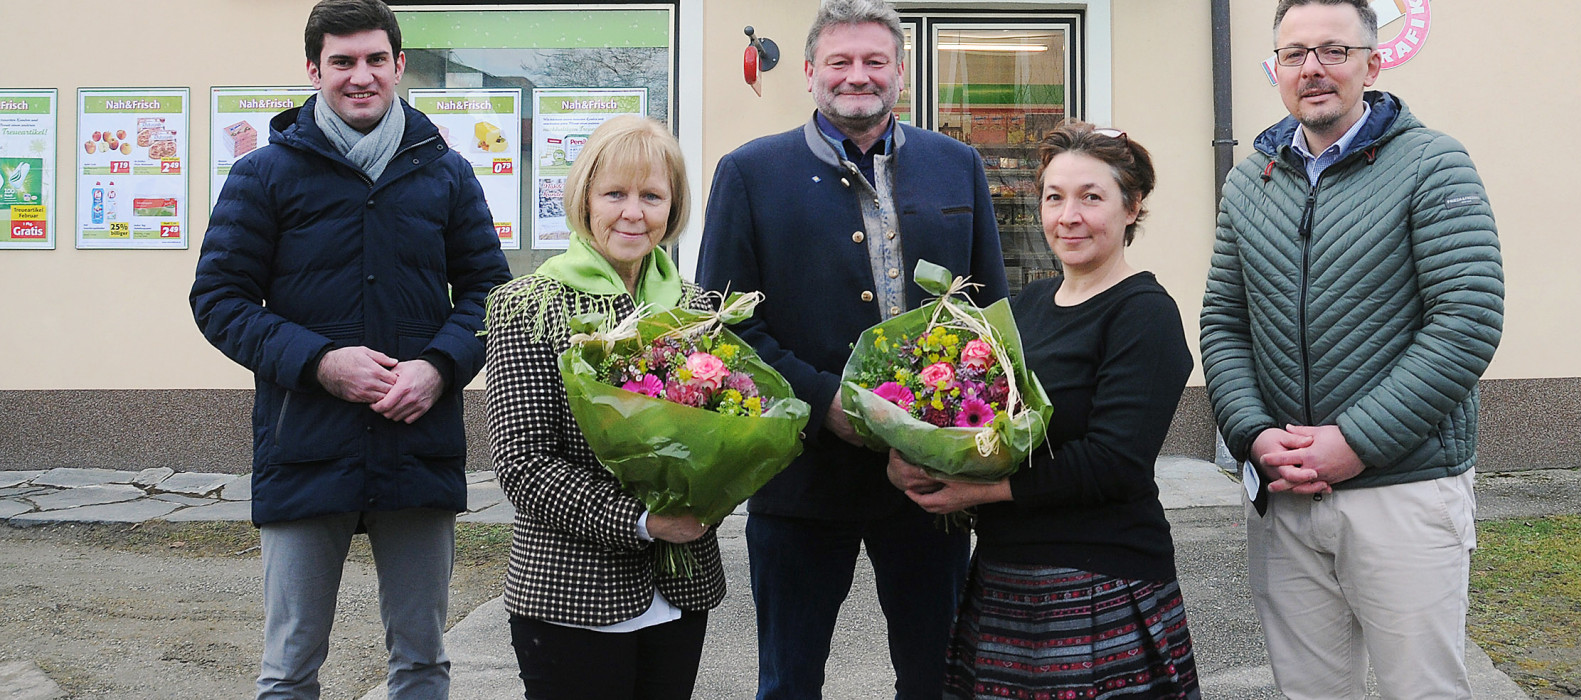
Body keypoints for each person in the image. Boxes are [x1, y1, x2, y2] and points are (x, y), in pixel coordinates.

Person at [187, 0, 511, 697]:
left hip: (416, 446)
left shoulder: (447, 174)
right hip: (304, 446)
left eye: (374, 60)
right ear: (314, 70)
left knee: (423, 660)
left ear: (399, 66)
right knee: (290, 666)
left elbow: (490, 292)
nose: (359, 76)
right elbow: (219, 301)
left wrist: (439, 366)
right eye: (342, 62)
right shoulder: (263, 176)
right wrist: (320, 363)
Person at [695, 0, 1008, 696]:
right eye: (840, 61)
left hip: (930, 476)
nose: (856, 76)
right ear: (809, 72)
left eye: (874, 61)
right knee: (789, 678)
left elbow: (988, 312)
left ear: (900, 71)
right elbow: (723, 322)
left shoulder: (957, 166)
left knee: (939, 676)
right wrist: (825, 400)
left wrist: (968, 432)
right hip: (800, 476)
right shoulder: (749, 172)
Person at [1198, 1, 1505, 697]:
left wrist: (1357, 440)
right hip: (1285, 494)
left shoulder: (1433, 164)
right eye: (1294, 53)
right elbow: (1224, 322)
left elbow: (1467, 319)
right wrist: (1251, 434)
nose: (1312, 69)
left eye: (1334, 51)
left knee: (1420, 690)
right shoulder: (1252, 180)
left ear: (1374, 61)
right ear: (1275, 68)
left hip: (1404, 488)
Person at [889, 121, 1200, 699]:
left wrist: (976, 492)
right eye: (1055, 198)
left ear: (1132, 208)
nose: (1069, 216)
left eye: (1091, 197)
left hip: (1097, 578)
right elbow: (977, 419)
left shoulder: (1144, 313)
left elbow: (1114, 463)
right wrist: (917, 458)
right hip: (1006, 573)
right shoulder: (1025, 307)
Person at [482, 115, 725, 700]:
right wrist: (645, 521)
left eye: (652, 196)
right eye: (614, 194)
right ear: (584, 199)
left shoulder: (699, 309)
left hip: (680, 589)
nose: (633, 213)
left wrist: (715, 492)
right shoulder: (527, 306)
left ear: (674, 207)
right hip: (572, 591)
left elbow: (724, 433)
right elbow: (523, 464)